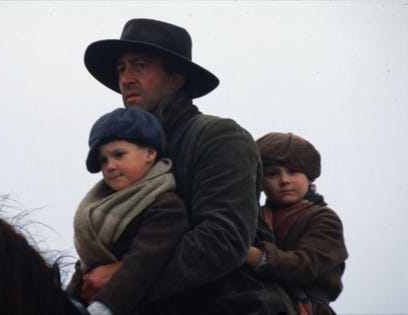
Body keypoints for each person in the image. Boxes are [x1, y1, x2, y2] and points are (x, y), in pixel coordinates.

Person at [77, 18, 295, 314]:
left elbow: (223, 238)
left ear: (176, 78)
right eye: (121, 68)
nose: (125, 78)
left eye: (140, 66)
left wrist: (123, 281)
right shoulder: (123, 155)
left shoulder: (219, 136)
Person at [67, 107, 189, 315]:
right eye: (103, 160)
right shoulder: (98, 209)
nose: (110, 166)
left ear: (150, 153)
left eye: (118, 154)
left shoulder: (166, 206)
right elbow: (87, 267)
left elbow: (143, 264)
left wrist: (102, 308)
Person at [245, 132, 348, 315]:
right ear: (260, 182)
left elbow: (306, 265)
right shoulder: (255, 217)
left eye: (293, 171)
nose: (284, 180)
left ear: (310, 177)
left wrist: (258, 256)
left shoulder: (324, 219)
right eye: (272, 174)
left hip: (310, 308)